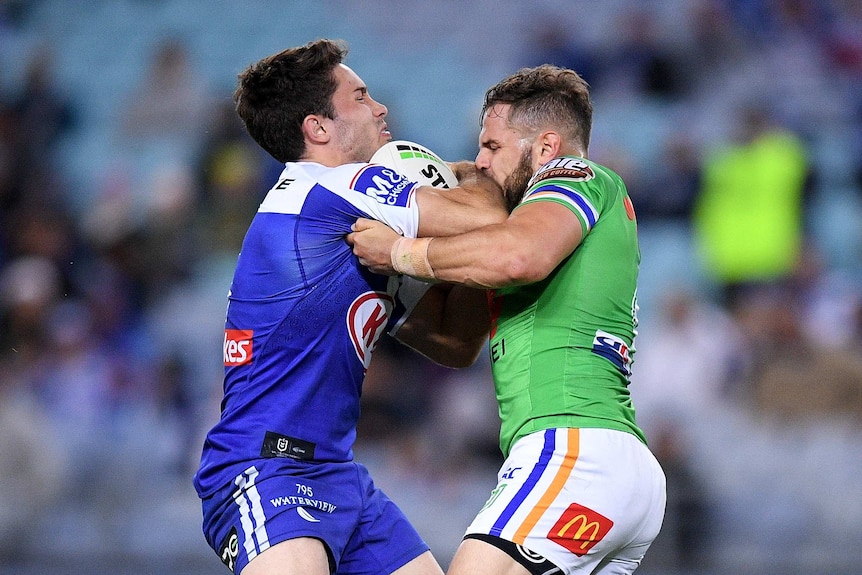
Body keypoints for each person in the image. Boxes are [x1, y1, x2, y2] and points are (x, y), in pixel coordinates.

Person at [192, 39, 506, 575]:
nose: (380, 108)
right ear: (318, 129)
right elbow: (494, 224)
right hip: (264, 470)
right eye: (360, 96)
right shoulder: (339, 185)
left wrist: (474, 267)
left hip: (336, 474)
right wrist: (484, 175)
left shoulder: (340, 218)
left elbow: (452, 344)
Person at [348, 65, 667, 574]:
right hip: (612, 465)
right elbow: (455, 343)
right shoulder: (532, 227)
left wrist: (403, 251)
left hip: (572, 448)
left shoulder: (576, 175)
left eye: (492, 147)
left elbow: (519, 256)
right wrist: (374, 283)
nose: (479, 160)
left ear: (544, 147)